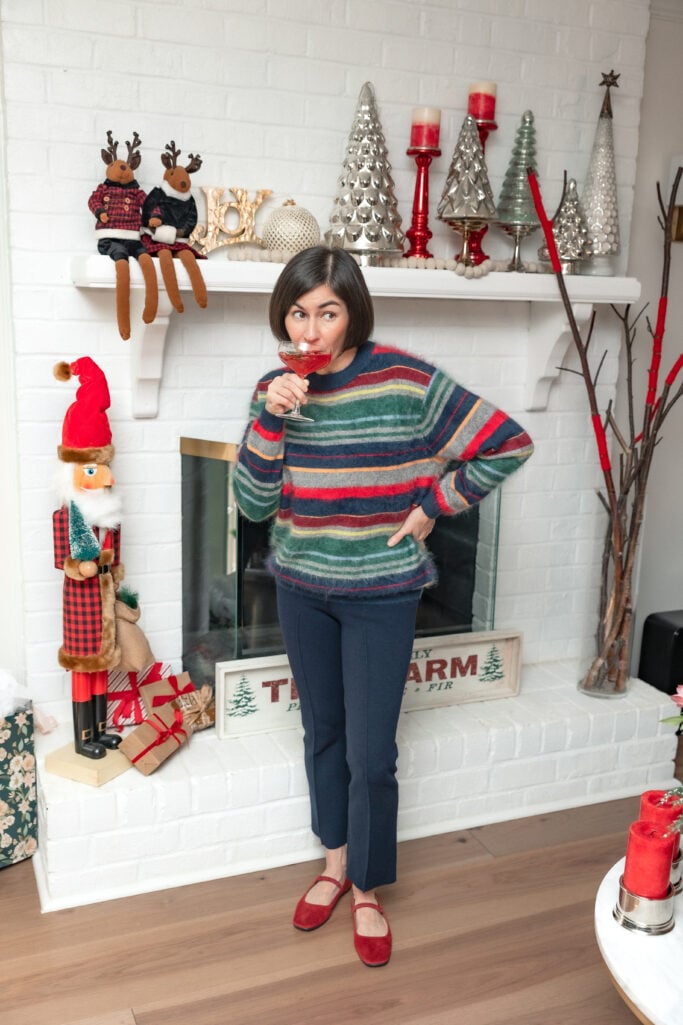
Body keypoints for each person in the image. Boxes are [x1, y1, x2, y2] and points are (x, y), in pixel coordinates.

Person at [233, 245, 534, 967]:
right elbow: (251, 502)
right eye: (298, 313)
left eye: (327, 312)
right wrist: (268, 420)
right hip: (302, 587)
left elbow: (506, 443)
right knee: (323, 735)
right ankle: (333, 866)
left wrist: (434, 505)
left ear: (352, 313)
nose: (310, 329)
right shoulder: (274, 389)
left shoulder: (404, 381)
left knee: (371, 754)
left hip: (382, 594)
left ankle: (366, 886)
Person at [53, 357, 125, 760]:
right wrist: (78, 566)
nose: (108, 477)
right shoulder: (68, 516)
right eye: (97, 470)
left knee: (103, 666)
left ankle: (100, 729)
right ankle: (83, 739)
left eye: (107, 467)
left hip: (104, 600)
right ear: (77, 471)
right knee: (84, 668)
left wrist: (115, 570)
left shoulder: (107, 514)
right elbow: (60, 558)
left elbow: (117, 551)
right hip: (80, 601)